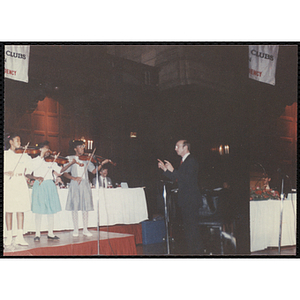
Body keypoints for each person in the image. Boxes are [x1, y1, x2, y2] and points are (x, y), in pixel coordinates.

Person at [158, 139, 203, 254]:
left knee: (192, 230)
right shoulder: (184, 161)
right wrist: (165, 170)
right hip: (186, 200)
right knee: (189, 230)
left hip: (191, 200)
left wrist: (173, 170)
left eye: (177, 146)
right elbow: (178, 179)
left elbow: (187, 179)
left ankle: (197, 253)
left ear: (185, 147)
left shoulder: (191, 160)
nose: (175, 149)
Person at [63, 140, 109, 237]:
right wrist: (73, 178)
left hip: (85, 184)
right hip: (75, 183)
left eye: (83, 147)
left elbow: (93, 171)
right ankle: (75, 229)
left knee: (85, 207)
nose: (82, 149)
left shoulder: (87, 159)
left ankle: (85, 229)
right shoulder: (70, 158)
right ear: (75, 149)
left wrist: (102, 164)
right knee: (75, 206)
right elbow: (65, 173)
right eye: (80, 147)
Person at [26, 141, 67, 241]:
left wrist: (68, 163)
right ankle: (37, 234)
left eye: (48, 149)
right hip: (39, 185)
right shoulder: (34, 160)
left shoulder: (51, 160)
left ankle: (50, 233)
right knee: (38, 210)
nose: (48, 151)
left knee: (51, 210)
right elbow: (27, 173)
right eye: (46, 149)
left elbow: (60, 172)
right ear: (40, 150)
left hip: (49, 185)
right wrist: (36, 177)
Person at [3, 133, 32, 246]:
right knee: (9, 209)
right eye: (17, 141)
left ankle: (20, 236)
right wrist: (5, 172)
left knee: (21, 209)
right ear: (11, 142)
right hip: (9, 182)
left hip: (20, 182)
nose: (20, 143)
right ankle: (9, 236)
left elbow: (31, 167)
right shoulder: (5, 154)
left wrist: (40, 155)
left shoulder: (24, 155)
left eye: (20, 141)